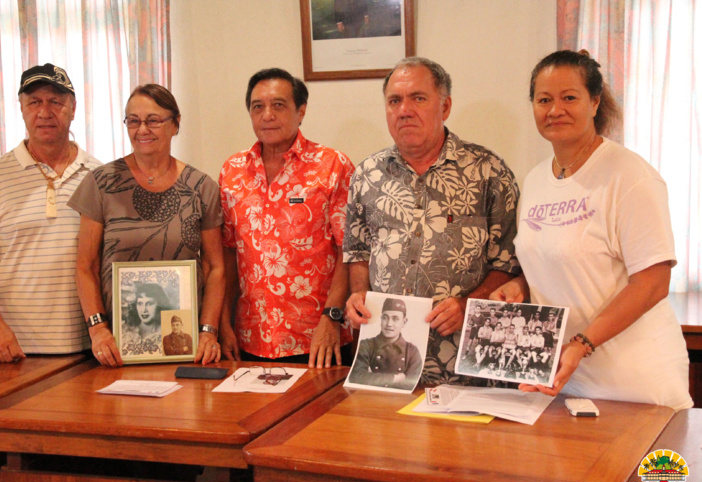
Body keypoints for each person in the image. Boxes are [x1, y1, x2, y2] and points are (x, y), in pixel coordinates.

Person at [491, 49, 692, 410]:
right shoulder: (536, 180)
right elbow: (554, 259)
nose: (555, 109)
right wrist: (519, 286)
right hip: (564, 382)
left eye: (569, 98)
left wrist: (582, 343)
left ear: (595, 102)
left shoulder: (630, 176)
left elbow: (652, 282)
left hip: (637, 384)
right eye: (544, 100)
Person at [343, 57, 521, 384]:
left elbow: (509, 263)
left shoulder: (489, 172)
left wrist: (469, 305)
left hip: (466, 366)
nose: (404, 110)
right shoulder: (366, 175)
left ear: (445, 106)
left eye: (418, 98)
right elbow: (358, 252)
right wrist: (357, 295)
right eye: (394, 101)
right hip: (388, 369)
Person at [0, 64, 101, 361]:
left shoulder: (100, 177)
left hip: (91, 349)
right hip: (13, 351)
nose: (45, 112)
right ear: (21, 108)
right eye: (34, 102)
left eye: (55, 102)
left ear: (73, 109)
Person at [70, 84, 225, 368]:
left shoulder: (201, 188)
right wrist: (97, 328)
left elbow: (214, 267)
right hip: (114, 347)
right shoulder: (101, 183)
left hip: (187, 346)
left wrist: (208, 331)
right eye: (133, 121)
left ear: (175, 124)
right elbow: (85, 266)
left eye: (153, 120)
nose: (142, 129)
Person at [219, 68, 355, 368]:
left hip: (318, 338)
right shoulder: (233, 171)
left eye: (278, 105)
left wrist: (332, 317)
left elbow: (349, 250)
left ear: (301, 111)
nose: (267, 115)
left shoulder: (332, 166)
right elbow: (228, 253)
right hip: (249, 337)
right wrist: (223, 323)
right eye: (258, 107)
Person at [348, 298, 422, 390]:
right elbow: (356, 377)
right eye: (385, 317)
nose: (389, 324)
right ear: (381, 319)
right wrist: (394, 378)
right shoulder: (366, 345)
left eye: (395, 319)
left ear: (404, 322)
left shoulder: (412, 351)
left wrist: (371, 378)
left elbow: (410, 384)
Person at [121, 283, 168, 356]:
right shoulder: (126, 332)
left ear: (159, 305)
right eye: (140, 303)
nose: (144, 310)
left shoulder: (166, 333)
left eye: (149, 304)